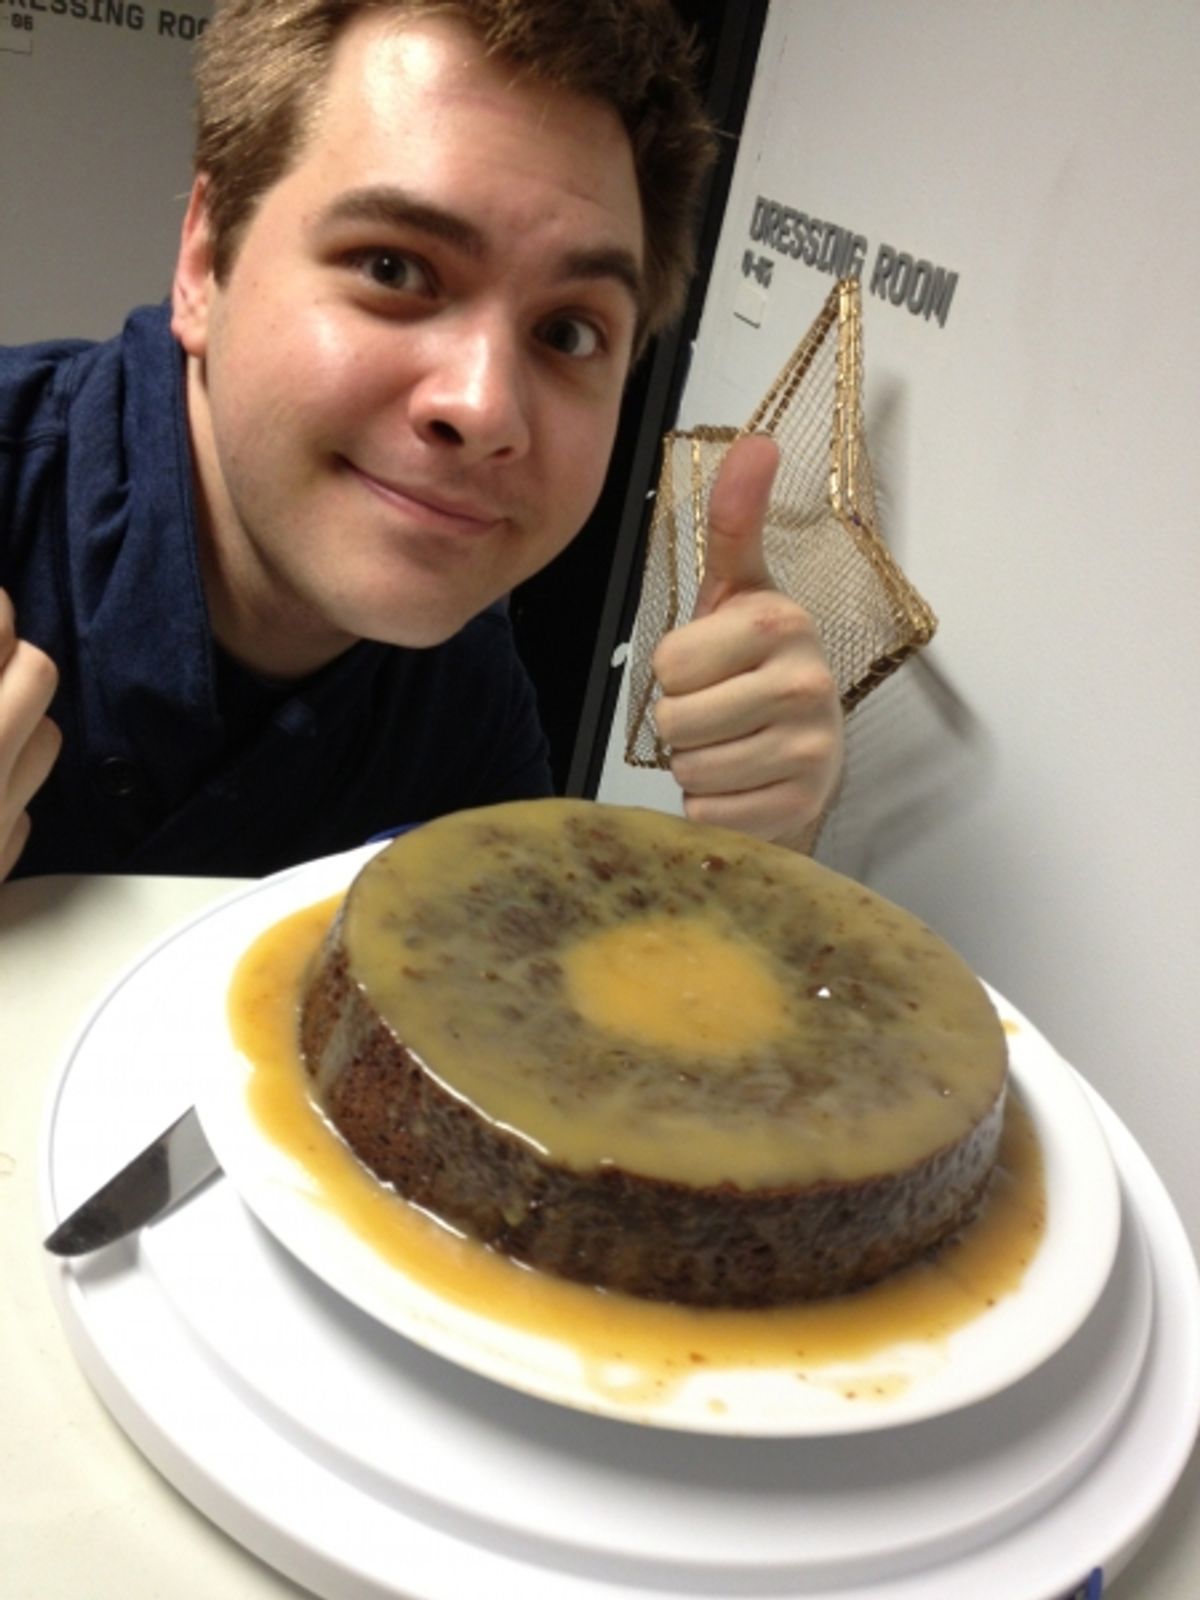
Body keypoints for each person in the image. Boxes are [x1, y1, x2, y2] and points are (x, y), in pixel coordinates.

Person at [0, 0, 842, 887]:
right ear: (206, 261)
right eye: (393, 268)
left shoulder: (466, 690)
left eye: (566, 333)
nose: (484, 409)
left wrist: (774, 851)